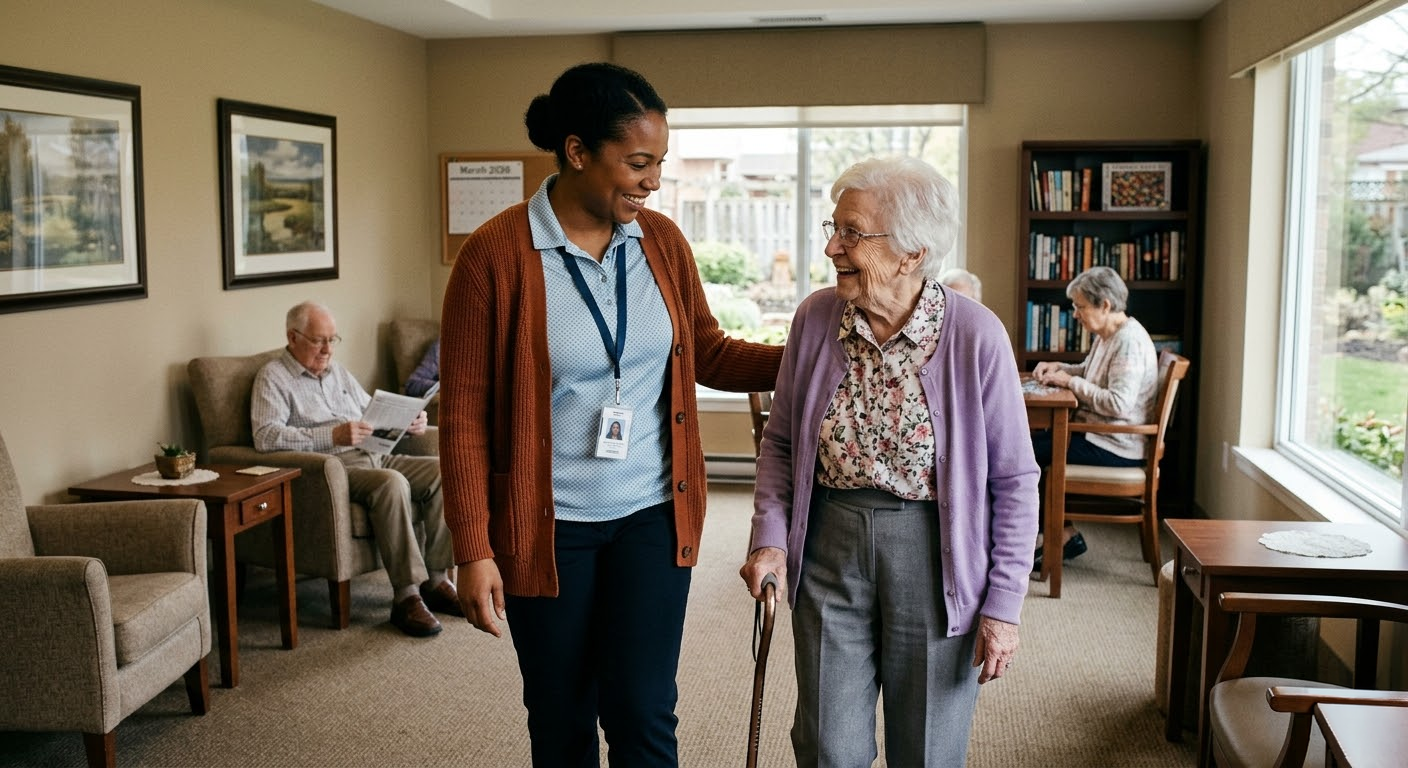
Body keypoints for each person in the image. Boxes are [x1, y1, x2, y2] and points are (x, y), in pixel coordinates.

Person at [437, 62, 782, 767]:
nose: (653, 179)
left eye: (659, 162)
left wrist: (808, 351)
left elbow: (707, 352)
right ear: (576, 152)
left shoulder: (661, 242)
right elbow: (465, 414)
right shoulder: (495, 255)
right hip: (548, 526)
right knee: (561, 715)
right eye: (637, 161)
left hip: (652, 517)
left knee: (645, 710)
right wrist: (472, 548)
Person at [739, 157, 1039, 767]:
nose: (831, 247)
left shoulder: (976, 336)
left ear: (912, 252)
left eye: (852, 233)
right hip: (828, 546)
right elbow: (783, 444)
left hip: (936, 556)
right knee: (827, 745)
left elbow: (1014, 480)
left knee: (926, 749)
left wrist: (1003, 605)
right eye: (834, 227)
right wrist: (770, 539)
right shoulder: (815, 319)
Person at [251, 300, 460, 638]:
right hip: (332, 469)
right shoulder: (273, 378)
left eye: (333, 340)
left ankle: (436, 581)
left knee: (443, 473)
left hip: (374, 454)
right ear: (292, 337)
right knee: (391, 483)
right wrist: (331, 435)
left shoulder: (337, 372)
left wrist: (407, 420)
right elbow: (266, 436)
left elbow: (370, 410)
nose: (327, 349)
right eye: (319, 340)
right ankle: (406, 595)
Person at [1029, 265, 1158, 567]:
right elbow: (1089, 371)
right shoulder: (1108, 335)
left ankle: (1055, 536)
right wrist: (1059, 367)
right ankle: (1061, 534)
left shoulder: (1128, 343)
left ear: (1105, 305)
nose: (1075, 314)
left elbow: (1118, 403)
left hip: (1117, 446)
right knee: (1030, 446)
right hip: (1099, 436)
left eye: (1080, 306)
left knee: (1024, 454)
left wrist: (1069, 382)